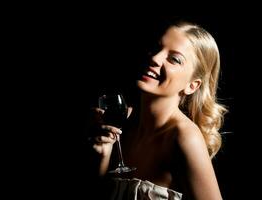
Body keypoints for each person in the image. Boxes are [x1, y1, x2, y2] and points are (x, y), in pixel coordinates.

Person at [86, 21, 227, 200]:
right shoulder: (120, 123)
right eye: (156, 48)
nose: (155, 58)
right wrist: (101, 155)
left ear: (192, 85)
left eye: (174, 59)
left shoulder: (184, 138)